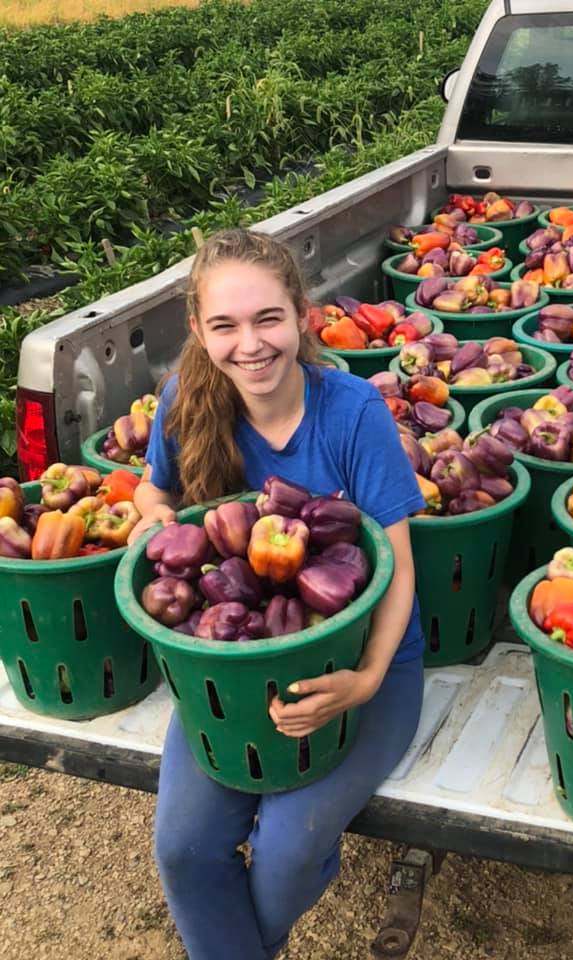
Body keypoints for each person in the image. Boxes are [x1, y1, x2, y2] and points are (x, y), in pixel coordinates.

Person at [129, 228, 425, 960]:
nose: (250, 345)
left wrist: (365, 680)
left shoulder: (352, 410)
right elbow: (149, 490)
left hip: (359, 655)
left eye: (267, 319)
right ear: (198, 332)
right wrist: (154, 519)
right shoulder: (184, 402)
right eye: (224, 326)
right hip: (230, 664)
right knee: (186, 848)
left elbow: (398, 566)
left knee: (289, 851)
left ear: (301, 315)